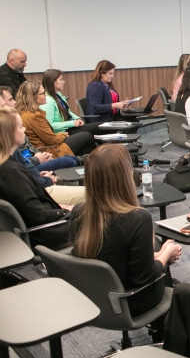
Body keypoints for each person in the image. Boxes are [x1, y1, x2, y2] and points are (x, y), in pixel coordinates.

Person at [69, 144, 181, 339]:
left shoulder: (79, 212)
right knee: (170, 272)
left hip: (93, 298)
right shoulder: (138, 218)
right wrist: (165, 253)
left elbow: (109, 256)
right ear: (124, 177)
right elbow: (145, 279)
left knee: (160, 259)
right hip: (129, 301)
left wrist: (154, 256)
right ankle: (164, 335)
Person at [0, 107, 71, 249]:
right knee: (101, 217)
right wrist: (66, 211)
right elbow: (38, 215)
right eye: (20, 127)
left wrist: (59, 208)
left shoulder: (9, 166)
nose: (24, 130)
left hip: (41, 228)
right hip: (47, 233)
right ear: (9, 133)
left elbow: (31, 207)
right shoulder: (12, 172)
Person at [0, 89, 83, 205]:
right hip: (40, 187)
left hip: (37, 175)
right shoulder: (8, 161)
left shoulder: (33, 116)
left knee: (72, 159)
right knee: (72, 158)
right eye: (6, 102)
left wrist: (38, 175)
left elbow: (26, 170)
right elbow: (36, 209)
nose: (14, 103)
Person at [16, 81, 96, 158]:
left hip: (48, 146)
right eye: (43, 93)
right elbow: (52, 140)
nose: (46, 95)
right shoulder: (33, 116)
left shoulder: (24, 112)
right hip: (50, 150)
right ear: (33, 96)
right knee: (87, 135)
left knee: (85, 147)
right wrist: (63, 135)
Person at [41, 69, 110, 136]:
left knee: (104, 126)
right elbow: (50, 125)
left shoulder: (58, 95)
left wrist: (78, 119)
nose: (64, 82)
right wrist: (72, 123)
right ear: (52, 81)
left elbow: (68, 112)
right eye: (61, 79)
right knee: (102, 127)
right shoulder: (48, 101)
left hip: (70, 127)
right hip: (63, 132)